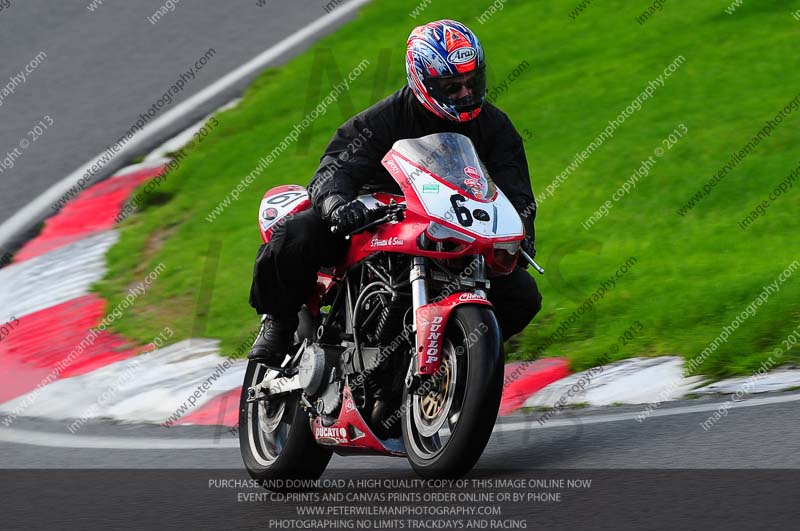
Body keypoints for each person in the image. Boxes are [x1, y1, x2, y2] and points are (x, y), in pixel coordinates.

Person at [248, 19, 541, 363]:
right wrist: (337, 205)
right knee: (299, 232)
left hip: (452, 227)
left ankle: (457, 365)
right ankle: (279, 321)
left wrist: (521, 237)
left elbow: (518, 192)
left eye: (471, 82)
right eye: (451, 86)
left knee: (522, 294)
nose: (464, 94)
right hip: (374, 219)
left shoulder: (496, 127)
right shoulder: (383, 118)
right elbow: (337, 168)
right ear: (422, 80)